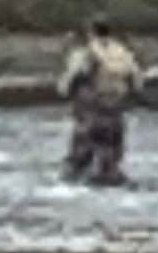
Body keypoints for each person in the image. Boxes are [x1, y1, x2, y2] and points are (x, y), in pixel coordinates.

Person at [58, 18, 141, 184]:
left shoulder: (86, 52)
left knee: (82, 147)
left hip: (91, 106)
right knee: (111, 144)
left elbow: (71, 78)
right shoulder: (122, 52)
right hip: (115, 107)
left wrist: (65, 91)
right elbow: (137, 80)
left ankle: (77, 176)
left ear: (91, 32)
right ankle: (109, 173)